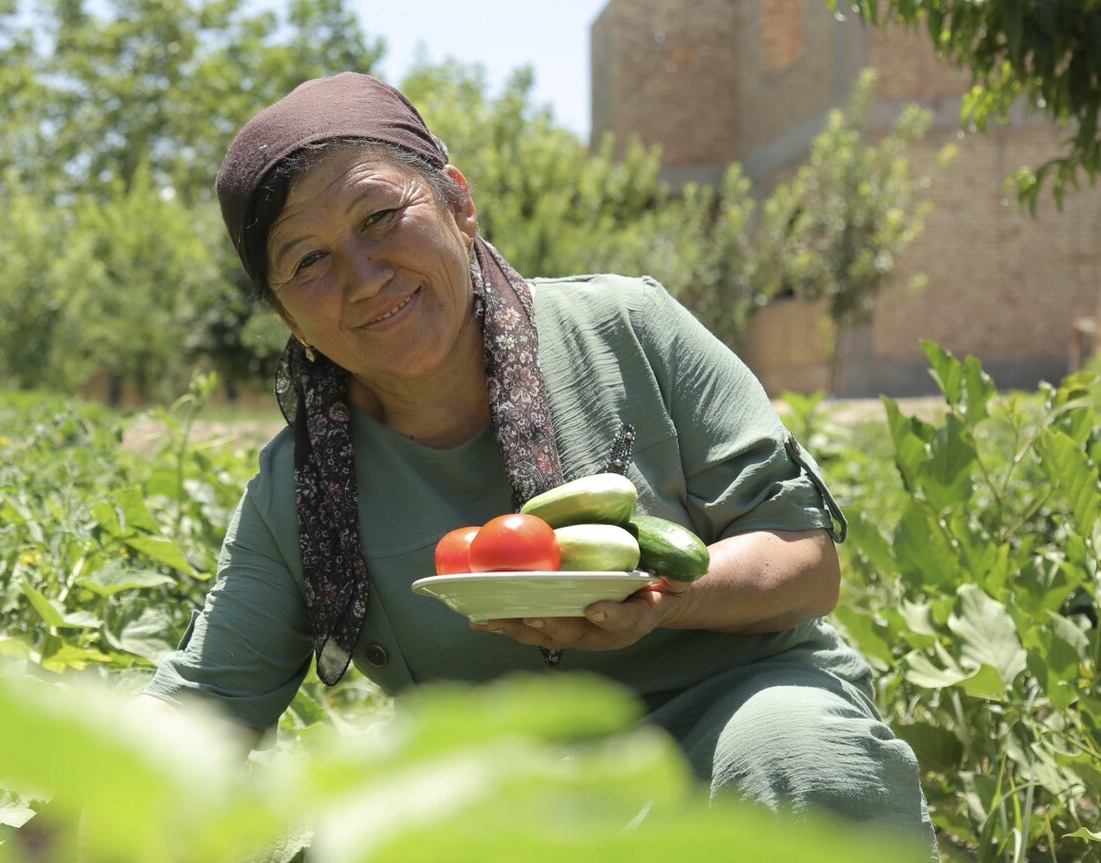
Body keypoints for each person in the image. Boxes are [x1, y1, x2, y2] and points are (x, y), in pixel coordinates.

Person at [139, 71, 936, 854]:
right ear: (287, 316)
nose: (362, 276)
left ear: (458, 202)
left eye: (379, 216)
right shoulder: (301, 489)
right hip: (508, 798)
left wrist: (664, 600)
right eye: (307, 261)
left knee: (798, 755)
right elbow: (208, 699)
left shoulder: (630, 328)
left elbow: (804, 559)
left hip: (733, 719)